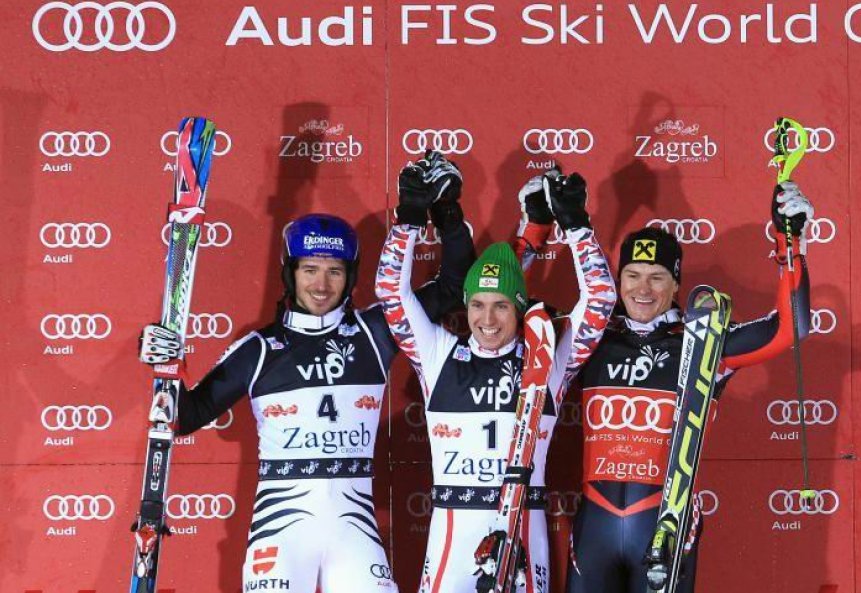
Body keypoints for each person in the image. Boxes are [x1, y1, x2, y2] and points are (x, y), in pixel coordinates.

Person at [137, 152, 474, 593]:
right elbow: (185, 415)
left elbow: (453, 288)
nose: (321, 284)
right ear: (290, 274)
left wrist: (446, 214)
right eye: (310, 270)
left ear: (350, 276)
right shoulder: (259, 350)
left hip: (355, 532)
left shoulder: (376, 331)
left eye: (334, 271)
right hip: (280, 535)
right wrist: (162, 366)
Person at [564, 181, 814, 593]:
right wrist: (533, 233)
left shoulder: (703, 341)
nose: (642, 290)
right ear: (618, 279)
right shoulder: (590, 340)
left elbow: (791, 329)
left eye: (657, 278)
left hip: (665, 526)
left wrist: (790, 244)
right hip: (595, 527)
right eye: (632, 275)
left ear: (677, 283)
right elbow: (505, 331)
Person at [375, 169, 617, 593]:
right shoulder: (438, 354)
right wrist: (410, 216)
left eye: (502, 306)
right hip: (453, 528)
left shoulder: (547, 357)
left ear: (520, 309)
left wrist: (577, 224)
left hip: (526, 522)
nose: (487, 320)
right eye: (479, 305)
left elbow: (600, 300)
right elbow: (392, 294)